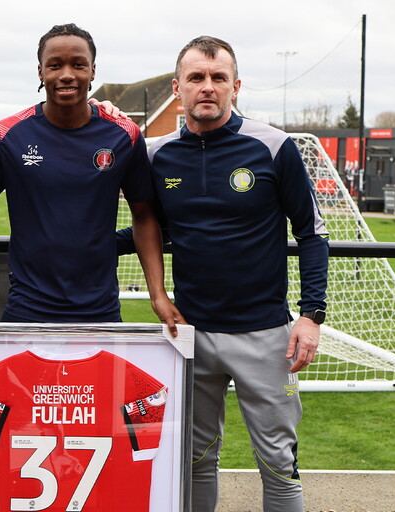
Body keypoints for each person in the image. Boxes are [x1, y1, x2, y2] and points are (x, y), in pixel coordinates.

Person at [121, 36, 329, 511]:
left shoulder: (273, 146)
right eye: (196, 78)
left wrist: (311, 316)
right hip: (190, 333)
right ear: (178, 88)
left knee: (278, 462)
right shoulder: (157, 156)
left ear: (236, 86)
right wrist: (70, 243)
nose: (207, 87)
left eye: (218, 78)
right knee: (194, 461)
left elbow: (312, 235)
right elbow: (146, 228)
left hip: (267, 336)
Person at [0, 23, 181, 348]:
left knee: (97, 400)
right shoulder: (6, 135)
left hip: (100, 309)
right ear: (40, 72)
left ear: (92, 71)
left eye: (78, 64)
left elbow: (144, 217)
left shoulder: (123, 135)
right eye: (55, 65)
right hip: (26, 308)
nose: (67, 75)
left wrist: (157, 295)